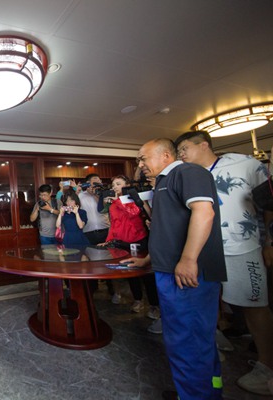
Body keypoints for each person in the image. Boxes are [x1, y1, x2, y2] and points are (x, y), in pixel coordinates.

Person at [125, 138, 226, 399]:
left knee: (186, 342)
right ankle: (207, 392)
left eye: (143, 158)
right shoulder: (163, 183)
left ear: (166, 156)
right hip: (171, 269)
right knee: (196, 340)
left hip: (186, 273)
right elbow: (167, 228)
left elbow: (204, 213)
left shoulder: (187, 172)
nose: (140, 164)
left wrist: (189, 259)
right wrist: (148, 259)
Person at [175, 130, 273, 396]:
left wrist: (269, 241)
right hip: (205, 250)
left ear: (204, 145)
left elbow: (269, 204)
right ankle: (214, 346)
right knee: (207, 300)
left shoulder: (244, 164)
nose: (181, 155)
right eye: (178, 151)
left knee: (254, 305)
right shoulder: (187, 175)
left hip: (243, 246)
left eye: (184, 149)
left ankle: (267, 366)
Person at [99, 175, 159, 320]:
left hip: (138, 239)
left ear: (127, 185)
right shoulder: (113, 204)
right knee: (130, 272)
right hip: (121, 242)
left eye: (118, 184)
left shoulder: (133, 199)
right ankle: (138, 300)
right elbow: (113, 224)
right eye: (113, 184)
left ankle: (154, 305)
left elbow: (133, 213)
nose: (115, 187)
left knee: (147, 274)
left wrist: (119, 201)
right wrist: (108, 241)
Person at [78, 174, 110, 245]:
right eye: (95, 183)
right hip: (88, 232)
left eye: (99, 183)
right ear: (88, 183)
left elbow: (105, 209)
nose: (97, 185)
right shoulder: (80, 196)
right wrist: (77, 192)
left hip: (105, 230)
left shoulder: (105, 194)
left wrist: (96, 194)